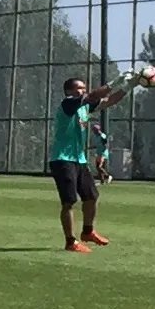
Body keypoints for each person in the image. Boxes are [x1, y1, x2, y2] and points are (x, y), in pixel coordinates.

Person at [52, 75, 128, 252]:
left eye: (84, 88)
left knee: (91, 196)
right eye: (79, 88)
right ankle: (70, 242)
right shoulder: (68, 103)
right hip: (62, 159)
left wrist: (128, 86)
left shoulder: (84, 107)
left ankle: (88, 232)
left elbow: (109, 101)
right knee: (69, 202)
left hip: (79, 159)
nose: (83, 91)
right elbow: (94, 95)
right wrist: (115, 82)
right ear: (69, 91)